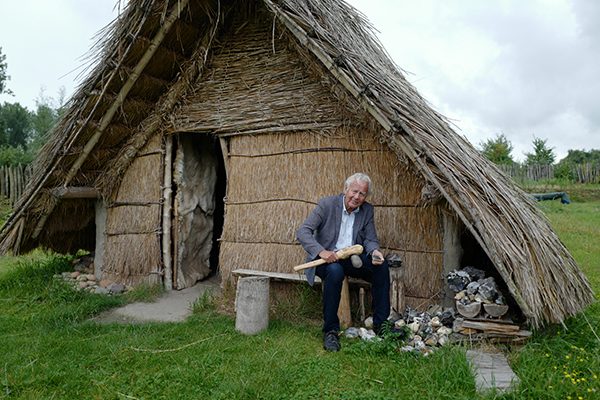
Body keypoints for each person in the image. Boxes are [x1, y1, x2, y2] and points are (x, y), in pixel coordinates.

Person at [296, 173, 403, 351]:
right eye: (354, 191)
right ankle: (330, 330)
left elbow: (370, 239)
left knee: (381, 266)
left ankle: (381, 325)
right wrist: (322, 252)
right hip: (326, 260)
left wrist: (375, 251)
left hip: (350, 257)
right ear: (346, 189)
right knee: (335, 271)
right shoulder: (327, 204)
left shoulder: (367, 210)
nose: (357, 197)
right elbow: (303, 232)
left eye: (362, 194)